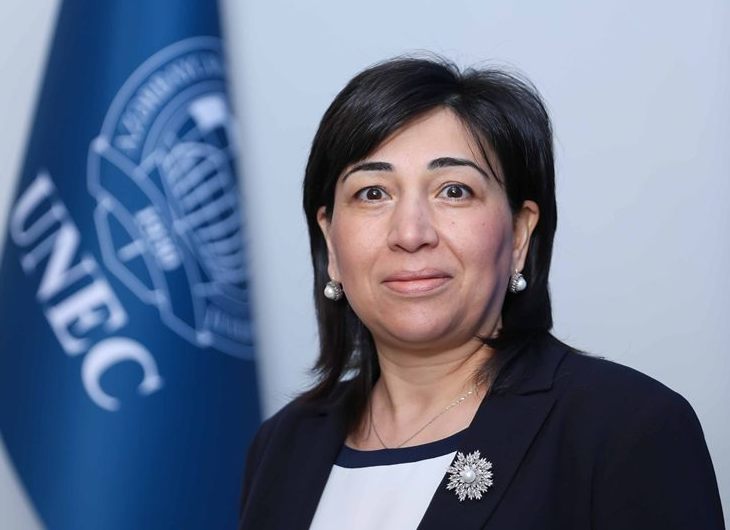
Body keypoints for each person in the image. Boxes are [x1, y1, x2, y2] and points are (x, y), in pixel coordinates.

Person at [238, 56, 724, 530]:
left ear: (519, 234)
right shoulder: (283, 445)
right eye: (373, 193)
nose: (410, 233)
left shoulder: (625, 426)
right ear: (330, 241)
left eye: (454, 191)